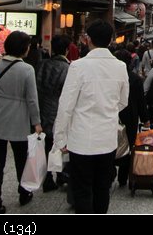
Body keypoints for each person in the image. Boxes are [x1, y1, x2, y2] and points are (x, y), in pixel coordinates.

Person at [53, 19, 129, 214]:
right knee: (102, 187)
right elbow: (123, 101)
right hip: (107, 138)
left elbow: (66, 105)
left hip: (81, 138)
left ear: (88, 40)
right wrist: (108, 110)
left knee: (82, 188)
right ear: (111, 40)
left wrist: (60, 137)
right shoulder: (120, 66)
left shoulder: (78, 66)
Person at [0, 31, 42, 214]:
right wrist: (36, 122)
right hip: (19, 121)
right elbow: (32, 100)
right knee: (21, 160)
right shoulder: (27, 70)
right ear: (23, 49)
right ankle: (24, 192)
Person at [35, 34, 71, 192]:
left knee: (47, 144)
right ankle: (60, 174)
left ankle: (48, 177)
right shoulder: (68, 68)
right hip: (58, 109)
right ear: (67, 50)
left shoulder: (42, 65)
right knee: (60, 143)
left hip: (42, 107)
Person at [113, 48, 150, 186]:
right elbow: (141, 101)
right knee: (128, 145)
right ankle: (123, 177)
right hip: (130, 116)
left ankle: (110, 171)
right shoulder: (135, 79)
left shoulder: (111, 77)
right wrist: (145, 118)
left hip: (113, 115)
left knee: (111, 143)